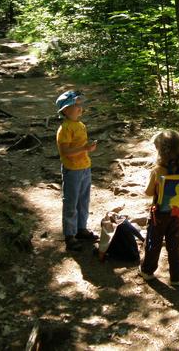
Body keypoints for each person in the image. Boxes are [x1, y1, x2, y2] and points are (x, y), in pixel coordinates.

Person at [139, 130, 179, 285]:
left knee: (154, 242)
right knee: (174, 245)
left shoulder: (157, 170)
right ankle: (177, 276)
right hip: (176, 214)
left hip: (159, 215)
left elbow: (148, 192)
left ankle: (147, 270)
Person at [56, 90, 99, 251]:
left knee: (83, 200)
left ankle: (81, 229)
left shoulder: (81, 125)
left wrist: (89, 149)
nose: (80, 108)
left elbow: (81, 148)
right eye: (76, 106)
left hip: (84, 167)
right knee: (71, 202)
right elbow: (65, 152)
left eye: (80, 105)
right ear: (65, 110)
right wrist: (84, 148)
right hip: (72, 170)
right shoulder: (65, 129)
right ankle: (70, 235)